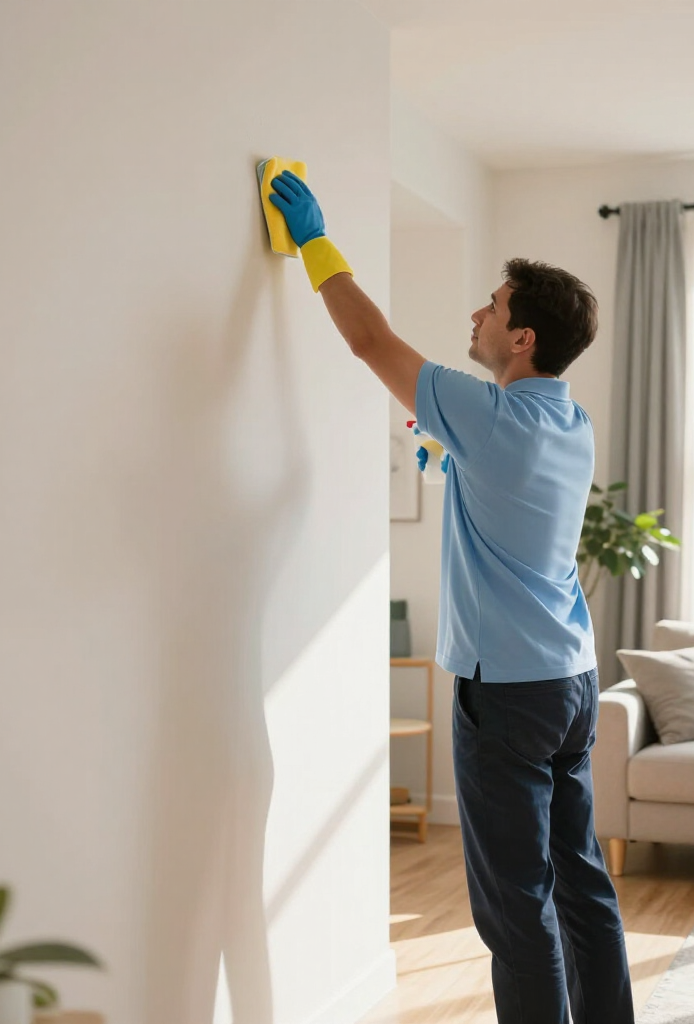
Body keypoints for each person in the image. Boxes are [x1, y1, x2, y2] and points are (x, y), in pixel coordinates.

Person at [268, 170, 635, 1024]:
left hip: (506, 695)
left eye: (493, 307)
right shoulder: (569, 422)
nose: (476, 315)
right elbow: (506, 479)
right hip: (571, 681)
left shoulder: (490, 416)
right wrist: (453, 455)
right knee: (579, 880)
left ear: (522, 338)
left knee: (516, 905)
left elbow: (370, 341)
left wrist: (316, 243)